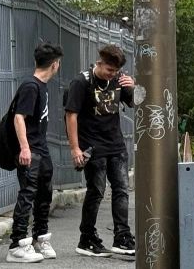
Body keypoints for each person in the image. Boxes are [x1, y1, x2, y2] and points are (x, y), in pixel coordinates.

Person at [65, 45, 136, 257]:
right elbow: (71, 115)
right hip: (92, 146)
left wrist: (134, 85)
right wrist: (75, 148)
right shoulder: (82, 82)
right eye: (108, 70)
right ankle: (86, 238)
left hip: (115, 143)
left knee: (122, 190)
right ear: (99, 63)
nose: (112, 74)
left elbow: (136, 103)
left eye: (115, 71)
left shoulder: (119, 79)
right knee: (96, 191)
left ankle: (121, 237)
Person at [7, 42, 64, 264]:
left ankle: (40, 237)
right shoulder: (30, 86)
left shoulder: (41, 85)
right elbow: (19, 117)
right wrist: (24, 148)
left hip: (41, 148)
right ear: (55, 65)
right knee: (28, 193)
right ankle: (17, 245)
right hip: (30, 148)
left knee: (44, 193)